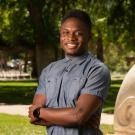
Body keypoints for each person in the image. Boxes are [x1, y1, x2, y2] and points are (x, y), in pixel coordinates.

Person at [28, 9, 111, 135]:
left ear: (89, 36)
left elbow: (78, 116)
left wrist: (40, 112)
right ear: (60, 36)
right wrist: (74, 117)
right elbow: (33, 118)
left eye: (78, 33)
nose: (71, 38)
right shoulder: (49, 70)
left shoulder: (97, 70)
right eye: (65, 33)